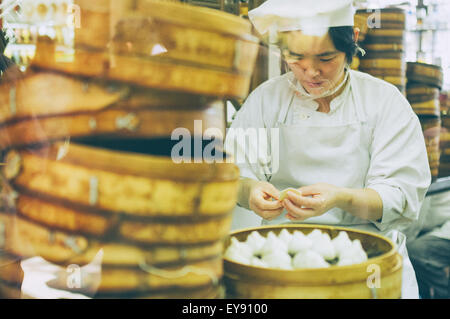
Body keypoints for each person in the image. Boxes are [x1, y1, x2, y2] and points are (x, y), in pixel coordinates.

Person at [225, 0, 431, 299]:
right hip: (283, 260)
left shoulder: (384, 102)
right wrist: (252, 192)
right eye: (295, 58)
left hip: (369, 261)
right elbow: (235, 175)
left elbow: (400, 196)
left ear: (353, 42)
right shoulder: (266, 100)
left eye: (326, 58)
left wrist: (339, 198)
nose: (310, 72)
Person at [405, 191, 450, 299]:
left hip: (445, 225)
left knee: (416, 252)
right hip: (431, 227)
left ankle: (441, 294)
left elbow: (415, 225)